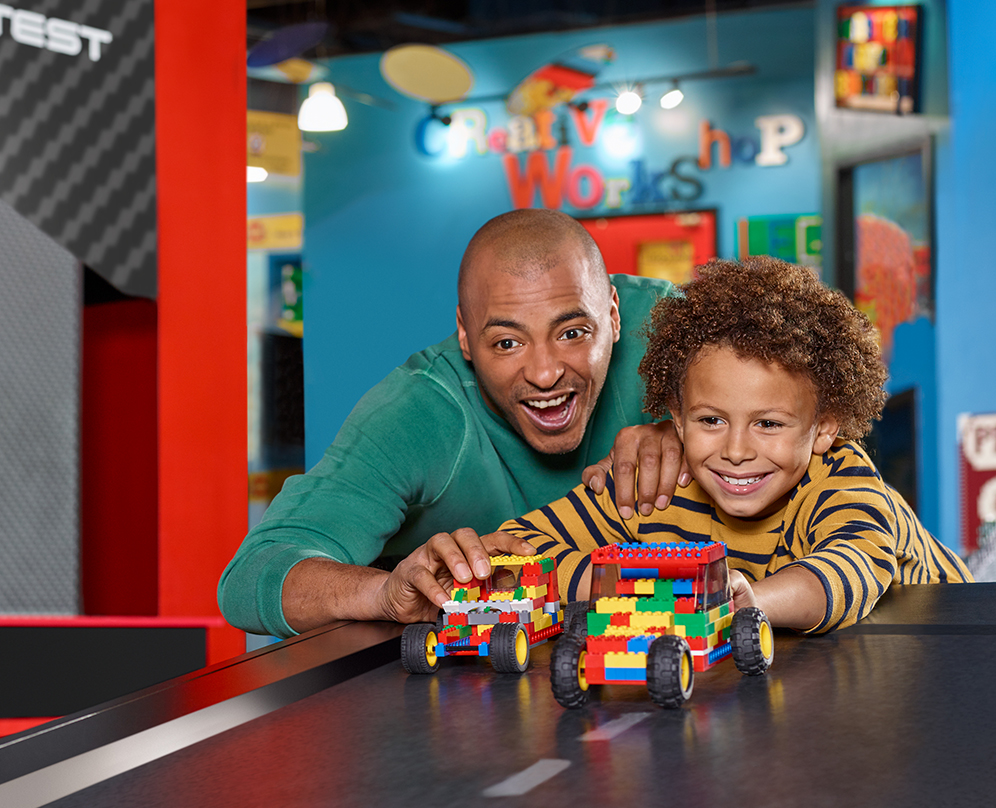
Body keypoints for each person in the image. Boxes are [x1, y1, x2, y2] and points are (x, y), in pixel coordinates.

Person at [410, 256, 971, 634]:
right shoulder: (663, 484)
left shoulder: (844, 483)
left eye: (769, 424)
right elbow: (524, 548)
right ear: (675, 419)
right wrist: (474, 562)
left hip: (964, 632)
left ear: (824, 426)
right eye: (710, 420)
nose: (735, 450)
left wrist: (739, 600)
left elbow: (846, 576)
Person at [219, 209, 688, 637]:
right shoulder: (418, 411)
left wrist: (697, 427)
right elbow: (250, 577)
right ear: (465, 336)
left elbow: (760, 404)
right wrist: (383, 593)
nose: (545, 373)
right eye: (507, 342)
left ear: (613, 315)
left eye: (572, 333)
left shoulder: (671, 330)